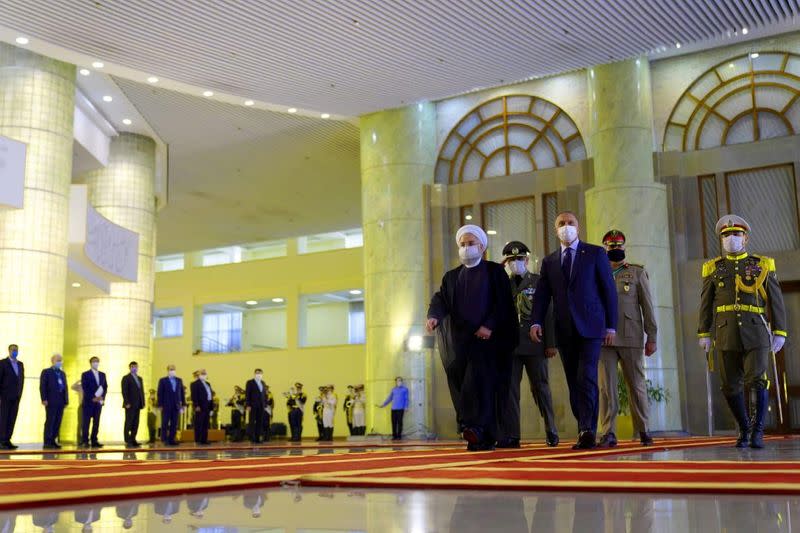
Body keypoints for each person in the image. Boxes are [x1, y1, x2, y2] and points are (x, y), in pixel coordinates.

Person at [698, 214, 787, 449]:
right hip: (726, 333)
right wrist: (704, 333)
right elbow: (706, 303)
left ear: (745, 238)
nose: (731, 238)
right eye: (726, 235)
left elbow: (776, 301)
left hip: (756, 332)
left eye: (736, 234)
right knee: (729, 385)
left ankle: (758, 431)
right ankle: (744, 428)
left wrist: (780, 331)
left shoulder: (762, 265)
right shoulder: (713, 268)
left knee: (757, 380)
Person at [426, 224, 518, 451]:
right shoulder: (451, 277)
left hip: (489, 342)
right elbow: (441, 299)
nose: (466, 248)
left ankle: (475, 429)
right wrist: (433, 316)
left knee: (479, 386)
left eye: (471, 244)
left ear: (482, 247)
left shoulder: (495, 271)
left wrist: (489, 325)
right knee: (464, 386)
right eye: (463, 244)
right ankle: (478, 435)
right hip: (462, 343)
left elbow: (503, 304)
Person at [531, 211, 618, 450]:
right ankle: (583, 427)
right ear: (555, 229)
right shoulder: (549, 261)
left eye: (570, 223)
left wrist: (611, 325)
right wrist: (536, 322)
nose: (566, 227)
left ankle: (589, 430)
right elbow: (541, 295)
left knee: (587, 377)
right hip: (564, 329)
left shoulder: (595, 253)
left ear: (578, 228)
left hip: (591, 328)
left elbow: (608, 291)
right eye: (561, 224)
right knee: (573, 381)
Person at [597, 230, 658, 448]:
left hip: (631, 336)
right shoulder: (597, 273)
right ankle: (608, 432)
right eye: (610, 247)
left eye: (618, 246)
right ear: (605, 248)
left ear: (624, 247)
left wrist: (652, 336)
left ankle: (643, 430)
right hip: (605, 339)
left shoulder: (636, 272)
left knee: (637, 386)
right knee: (606, 388)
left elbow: (648, 308)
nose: (615, 250)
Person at [496, 240, 559, 448]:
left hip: (535, 343)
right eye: (512, 259)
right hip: (509, 347)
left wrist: (550, 343)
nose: (516, 263)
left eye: (520, 259)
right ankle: (512, 434)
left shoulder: (538, 281)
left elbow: (548, 313)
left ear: (527, 259)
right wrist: (499, 268)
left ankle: (551, 429)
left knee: (540, 388)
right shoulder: (501, 282)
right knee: (510, 391)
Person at [40, 353, 68, 449]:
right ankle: (47, 441)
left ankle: (53, 440)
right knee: (50, 421)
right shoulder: (46, 372)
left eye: (61, 360)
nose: (60, 362)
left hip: (61, 400)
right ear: (52, 361)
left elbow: (65, 388)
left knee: (58, 421)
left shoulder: (62, 373)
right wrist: (44, 398)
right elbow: (42, 386)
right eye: (58, 360)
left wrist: (66, 400)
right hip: (51, 400)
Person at [80, 356, 108, 448]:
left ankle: (94, 440)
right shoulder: (85, 374)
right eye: (94, 361)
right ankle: (85, 441)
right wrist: (92, 397)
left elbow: (105, 387)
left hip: (98, 403)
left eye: (97, 361)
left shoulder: (102, 375)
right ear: (90, 363)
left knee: (96, 422)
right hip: (88, 402)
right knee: (86, 423)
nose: (96, 363)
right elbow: (85, 387)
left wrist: (102, 397)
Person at [0, 344, 24, 449]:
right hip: (5, 396)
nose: (15, 352)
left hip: (16, 396)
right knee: (3, 418)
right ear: (9, 351)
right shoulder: (3, 363)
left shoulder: (20, 364)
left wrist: (20, 393)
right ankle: (1, 440)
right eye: (13, 350)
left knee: (12, 418)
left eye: (16, 350)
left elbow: (21, 379)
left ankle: (7, 439)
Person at [157, 364, 186, 446]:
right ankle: (164, 439)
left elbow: (182, 393)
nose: (172, 371)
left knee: (174, 423)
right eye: (170, 369)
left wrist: (183, 404)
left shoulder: (179, 380)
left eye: (173, 369)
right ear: (168, 371)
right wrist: (160, 405)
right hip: (166, 405)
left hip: (176, 405)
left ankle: (171, 439)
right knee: (165, 423)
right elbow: (160, 393)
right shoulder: (163, 380)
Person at [121, 361, 145, 448]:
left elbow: (141, 391)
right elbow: (124, 391)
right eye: (132, 366)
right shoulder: (126, 378)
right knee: (129, 422)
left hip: (138, 404)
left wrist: (143, 402)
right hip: (130, 404)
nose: (134, 368)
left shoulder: (140, 378)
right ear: (130, 368)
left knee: (136, 422)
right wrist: (126, 402)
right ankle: (128, 440)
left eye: (135, 366)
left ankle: (133, 439)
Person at [190, 369, 214, 445]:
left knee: (205, 423)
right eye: (202, 373)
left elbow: (210, 395)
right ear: (198, 375)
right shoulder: (194, 384)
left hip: (208, 405)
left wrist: (211, 408)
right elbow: (194, 396)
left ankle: (204, 439)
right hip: (200, 406)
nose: (204, 375)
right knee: (199, 423)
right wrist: (196, 405)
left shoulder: (208, 384)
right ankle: (198, 439)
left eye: (205, 373)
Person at [245, 369, 268, 444]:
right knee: (252, 421)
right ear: (254, 374)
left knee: (259, 422)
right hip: (252, 405)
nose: (259, 375)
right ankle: (252, 438)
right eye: (257, 373)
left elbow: (265, 395)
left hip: (261, 406)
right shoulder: (250, 382)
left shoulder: (263, 383)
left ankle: (258, 437)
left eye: (260, 373)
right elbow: (247, 394)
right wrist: (248, 405)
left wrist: (265, 404)